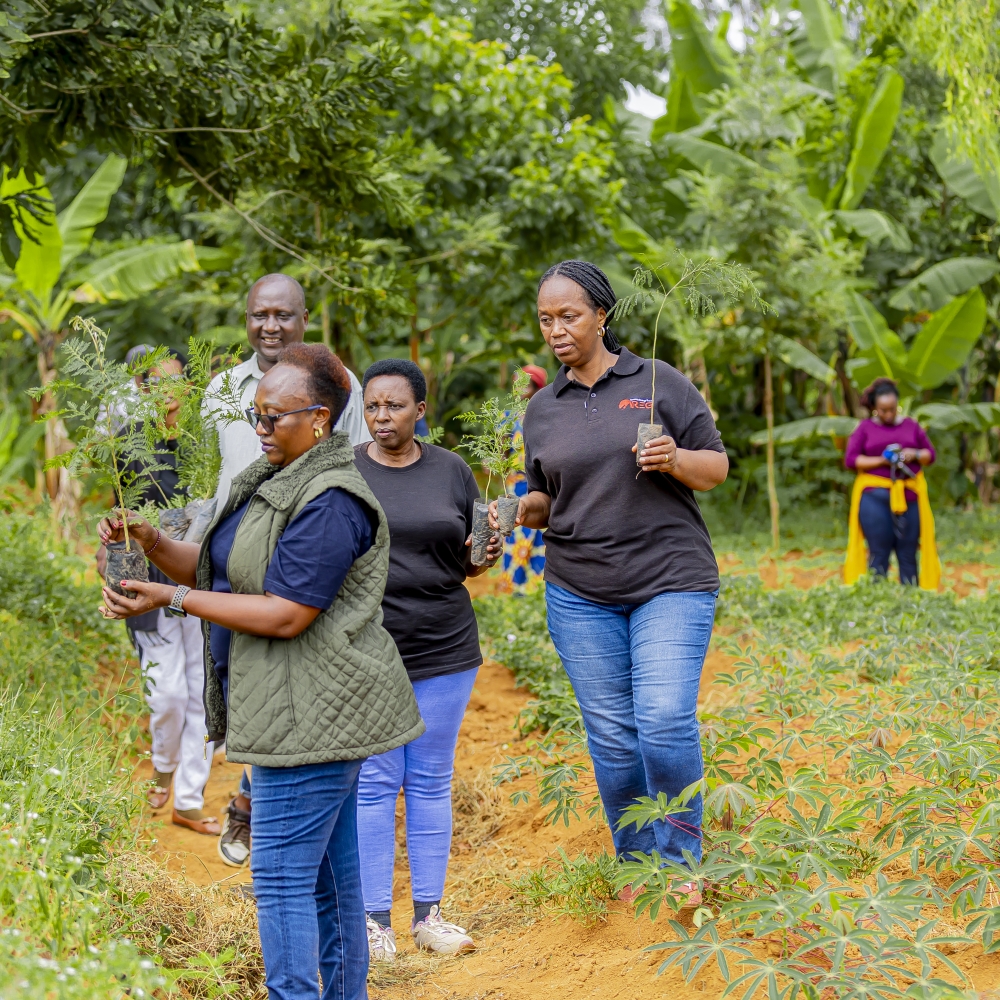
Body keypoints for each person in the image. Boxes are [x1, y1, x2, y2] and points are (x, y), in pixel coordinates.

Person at [98, 343, 423, 1000]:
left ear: (323, 419)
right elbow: (231, 572)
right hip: (290, 708)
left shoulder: (331, 499)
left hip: (312, 716)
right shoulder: (277, 479)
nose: (260, 429)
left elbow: (286, 613)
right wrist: (155, 546)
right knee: (331, 891)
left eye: (275, 418)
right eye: (255, 415)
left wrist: (173, 597)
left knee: (279, 883)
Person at [490, 260, 728, 906]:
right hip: (579, 589)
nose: (556, 330)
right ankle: (636, 859)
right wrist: (512, 511)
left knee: (662, 717)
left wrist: (675, 459)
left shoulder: (658, 380)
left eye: (569, 316)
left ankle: (682, 861)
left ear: (602, 313)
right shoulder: (542, 409)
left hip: (670, 578)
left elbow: (717, 468)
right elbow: (546, 500)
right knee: (614, 735)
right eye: (546, 319)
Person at [203, 273, 372, 867]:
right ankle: (257, 784)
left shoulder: (338, 385)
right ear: (246, 318)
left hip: (305, 551)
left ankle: (261, 806)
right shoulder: (222, 388)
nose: (270, 326)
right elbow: (217, 482)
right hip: (231, 558)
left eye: (283, 315)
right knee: (232, 672)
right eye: (259, 315)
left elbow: (354, 470)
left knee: (289, 675)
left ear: (304, 319)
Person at [353, 359, 502, 961]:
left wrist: (486, 552)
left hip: (445, 643)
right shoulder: (345, 470)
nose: (382, 416)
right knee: (376, 781)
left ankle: (429, 916)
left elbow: (470, 561)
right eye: (373, 406)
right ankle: (372, 921)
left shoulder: (452, 470)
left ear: (420, 410)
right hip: (370, 646)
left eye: (395, 405)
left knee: (431, 778)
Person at [96, 345, 220, 836]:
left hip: (202, 578)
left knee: (202, 692)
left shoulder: (204, 446)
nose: (169, 395)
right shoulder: (125, 444)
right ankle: (164, 766)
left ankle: (188, 799)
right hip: (147, 582)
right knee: (167, 694)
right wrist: (107, 552)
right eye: (158, 385)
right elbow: (117, 512)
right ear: (142, 391)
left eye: (177, 383)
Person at [844, 377, 940, 589]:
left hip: (909, 497)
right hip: (874, 498)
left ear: (898, 406)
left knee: (908, 551)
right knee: (879, 550)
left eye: (892, 409)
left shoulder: (911, 426)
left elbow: (930, 455)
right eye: (883, 410)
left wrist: (912, 454)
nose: (888, 414)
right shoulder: (865, 428)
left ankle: (912, 599)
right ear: (874, 408)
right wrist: (882, 459)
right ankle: (877, 599)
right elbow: (851, 460)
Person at [498, 364, 547, 595]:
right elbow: (499, 456)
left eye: (526, 383)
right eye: (517, 383)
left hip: (543, 487)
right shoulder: (506, 419)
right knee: (514, 536)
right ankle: (514, 591)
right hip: (515, 487)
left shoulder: (547, 418)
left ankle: (535, 591)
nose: (521, 388)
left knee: (540, 539)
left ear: (538, 388)